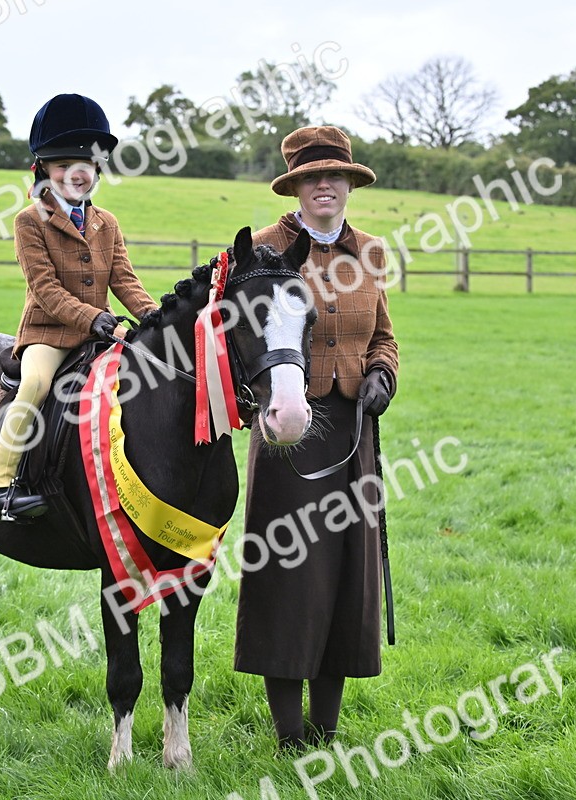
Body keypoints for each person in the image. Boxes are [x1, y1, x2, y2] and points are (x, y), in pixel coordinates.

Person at [234, 126, 400, 750]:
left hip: (353, 434)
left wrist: (384, 373)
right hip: (287, 432)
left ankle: (326, 731)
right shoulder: (264, 248)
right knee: (288, 570)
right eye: (312, 177)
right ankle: (287, 736)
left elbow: (383, 334)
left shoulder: (371, 253)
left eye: (336, 176)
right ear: (297, 187)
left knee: (345, 574)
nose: (325, 185)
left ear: (351, 185)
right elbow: (239, 337)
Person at [0, 93, 158, 522]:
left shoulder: (107, 222)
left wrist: (155, 317)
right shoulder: (29, 222)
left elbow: (124, 280)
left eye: (83, 166)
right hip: (49, 333)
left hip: (100, 333)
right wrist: (97, 320)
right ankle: (1, 487)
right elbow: (44, 289)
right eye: (63, 166)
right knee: (36, 386)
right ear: (44, 169)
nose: (74, 175)